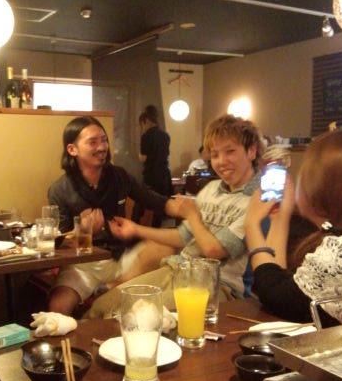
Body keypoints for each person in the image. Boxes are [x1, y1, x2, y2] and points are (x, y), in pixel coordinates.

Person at [86, 114, 264, 317]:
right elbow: (183, 236)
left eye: (230, 151)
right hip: (178, 270)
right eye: (215, 155)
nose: (221, 162)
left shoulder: (259, 198)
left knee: (133, 316)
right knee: (102, 307)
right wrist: (136, 229)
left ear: (251, 151)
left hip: (219, 287)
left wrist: (192, 215)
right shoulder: (212, 189)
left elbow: (214, 251)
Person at [47, 116, 184, 316]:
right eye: (93, 142)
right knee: (58, 308)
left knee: (165, 245)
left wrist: (185, 209)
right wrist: (84, 231)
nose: (102, 147)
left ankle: (115, 286)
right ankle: (110, 294)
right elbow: (59, 245)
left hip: (123, 259)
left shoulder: (119, 176)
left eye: (104, 140)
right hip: (84, 265)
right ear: (72, 149)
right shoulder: (60, 190)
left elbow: (154, 201)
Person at [245, 129, 342, 327]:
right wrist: (279, 219)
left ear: (321, 187)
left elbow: (278, 298)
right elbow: (280, 283)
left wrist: (252, 224)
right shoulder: (338, 235)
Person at [136, 105, 171, 227]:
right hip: (164, 175)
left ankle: (145, 229)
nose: (142, 128)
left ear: (146, 121)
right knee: (160, 205)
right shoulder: (165, 135)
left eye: (142, 125)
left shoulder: (146, 136)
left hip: (151, 175)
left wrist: (138, 154)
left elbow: (143, 158)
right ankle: (157, 228)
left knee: (147, 203)